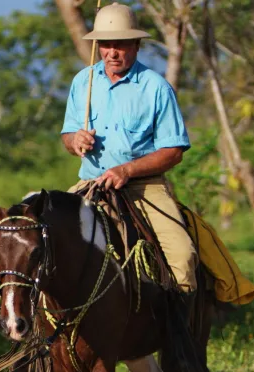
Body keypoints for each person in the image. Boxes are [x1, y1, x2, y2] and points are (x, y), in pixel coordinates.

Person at [60, 2, 197, 294]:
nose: (112, 52)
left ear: (136, 45)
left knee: (183, 258)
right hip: (90, 185)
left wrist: (127, 169)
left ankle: (178, 335)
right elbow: (67, 136)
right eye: (106, 45)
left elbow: (173, 151)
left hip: (144, 189)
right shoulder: (82, 81)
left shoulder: (155, 87)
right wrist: (75, 141)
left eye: (120, 45)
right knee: (46, 242)